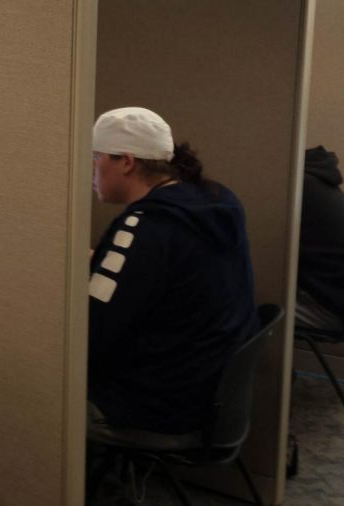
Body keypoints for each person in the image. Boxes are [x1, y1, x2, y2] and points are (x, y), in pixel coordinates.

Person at [87, 107, 257, 436]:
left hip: (158, 404)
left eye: (96, 158)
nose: (92, 171)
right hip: (208, 388)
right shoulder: (214, 201)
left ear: (126, 161)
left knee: (36, 382)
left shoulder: (144, 225)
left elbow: (93, 336)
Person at [296, 145, 344, 330]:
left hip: (325, 308)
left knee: (243, 300)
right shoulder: (316, 179)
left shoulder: (299, 186)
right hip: (340, 301)